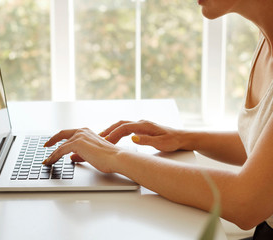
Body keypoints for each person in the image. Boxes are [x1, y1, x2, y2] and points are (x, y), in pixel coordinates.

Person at [43, 0, 273, 238]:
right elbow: (260, 149)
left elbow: (246, 202)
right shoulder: (267, 39)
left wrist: (115, 157)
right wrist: (184, 138)